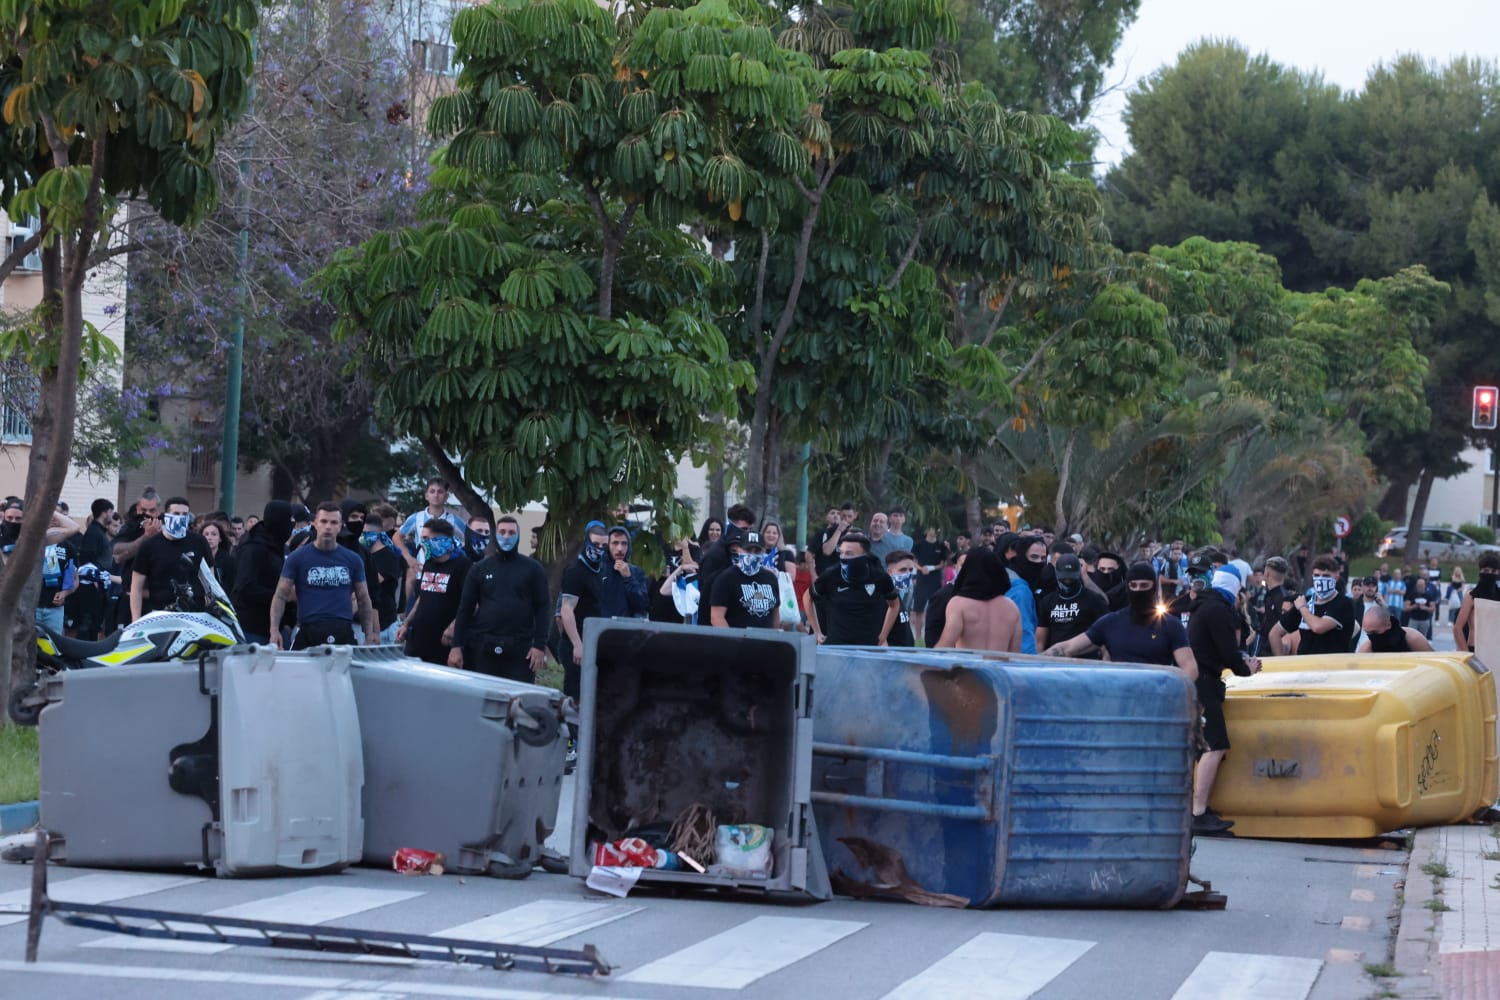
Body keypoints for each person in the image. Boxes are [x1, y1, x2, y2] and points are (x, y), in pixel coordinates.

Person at [1187, 566, 1259, 834]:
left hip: (1197, 681)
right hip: (1204, 683)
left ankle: (1196, 808)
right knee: (1213, 746)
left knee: (1206, 746)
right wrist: (1245, 669)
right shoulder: (1218, 610)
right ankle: (1198, 812)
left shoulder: (1203, 605)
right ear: (1235, 586)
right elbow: (1229, 652)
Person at [1047, 563, 1199, 681]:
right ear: (1127, 587)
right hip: (1119, 700)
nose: (1138, 590)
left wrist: (1170, 693)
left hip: (1156, 701)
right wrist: (1031, 661)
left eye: (1144, 586)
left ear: (1153, 587)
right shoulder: (1110, 622)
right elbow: (1068, 647)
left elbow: (1190, 668)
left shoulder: (1170, 625)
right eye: (1133, 586)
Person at [450, 515, 551, 680]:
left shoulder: (533, 569)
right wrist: (456, 646)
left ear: (518, 536)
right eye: (502, 531)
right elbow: (465, 609)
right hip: (483, 647)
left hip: (521, 650)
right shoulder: (479, 569)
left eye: (511, 532)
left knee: (518, 702)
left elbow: (543, 608)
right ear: (495, 535)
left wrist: (539, 646)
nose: (506, 536)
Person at [271, 502, 378, 649]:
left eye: (333, 522)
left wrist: (369, 633)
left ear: (340, 526)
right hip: (308, 629)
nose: (328, 526)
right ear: (315, 523)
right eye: (323, 521)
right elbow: (280, 595)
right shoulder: (297, 558)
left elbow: (364, 598)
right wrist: (274, 630)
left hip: (342, 631)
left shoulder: (353, 559)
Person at [397, 518, 472, 665]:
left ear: (443, 540)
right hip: (418, 640)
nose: (422, 543)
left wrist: (453, 628)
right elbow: (422, 597)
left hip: (443, 644)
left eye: (426, 538)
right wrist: (406, 624)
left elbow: (471, 604)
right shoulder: (429, 564)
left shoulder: (463, 565)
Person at [808, 532, 899, 646]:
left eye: (849, 554)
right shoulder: (831, 575)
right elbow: (808, 597)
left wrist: (884, 634)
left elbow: (894, 604)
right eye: (842, 553)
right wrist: (817, 632)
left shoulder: (879, 576)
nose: (844, 558)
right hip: (837, 646)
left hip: (868, 646)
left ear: (865, 555)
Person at [130, 497, 212, 620]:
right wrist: (135, 620)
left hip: (195, 615)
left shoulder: (199, 542)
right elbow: (136, 587)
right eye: (176, 514)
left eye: (185, 514)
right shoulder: (150, 545)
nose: (180, 518)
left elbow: (210, 579)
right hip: (161, 615)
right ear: (166, 515)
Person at [233, 501, 296, 644]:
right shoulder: (254, 548)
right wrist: (282, 596)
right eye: (289, 520)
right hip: (252, 628)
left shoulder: (276, 546)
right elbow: (246, 587)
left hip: (274, 627)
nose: (292, 524)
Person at [934, 547, 1021, 651]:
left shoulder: (958, 604)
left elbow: (945, 646)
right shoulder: (1012, 608)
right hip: (998, 667)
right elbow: (1014, 653)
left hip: (967, 666)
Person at [1277, 554, 1357, 656]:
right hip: (1304, 666)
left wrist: (1302, 608)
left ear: (1336, 577)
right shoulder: (1305, 600)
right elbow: (1275, 632)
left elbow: (1318, 627)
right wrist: (1279, 659)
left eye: (1326, 576)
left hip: (1333, 667)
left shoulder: (1344, 603)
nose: (1321, 579)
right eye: (1317, 575)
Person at [1035, 554, 1107, 655]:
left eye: (1071, 578)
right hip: (1055, 659)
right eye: (1064, 579)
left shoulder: (1094, 599)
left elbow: (1104, 633)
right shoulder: (1047, 601)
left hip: (1085, 660)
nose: (1068, 582)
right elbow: (1040, 640)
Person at [709, 530, 781, 629]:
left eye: (757, 551)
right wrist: (734, 641)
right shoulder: (725, 578)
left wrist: (774, 639)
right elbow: (716, 617)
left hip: (766, 641)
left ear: (763, 552)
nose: (752, 555)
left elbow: (775, 615)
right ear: (738, 550)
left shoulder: (771, 578)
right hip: (738, 641)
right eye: (748, 550)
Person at [361, 503, 404, 643]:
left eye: (364, 533)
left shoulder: (388, 556)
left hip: (385, 624)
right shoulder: (364, 554)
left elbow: (370, 583)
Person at [696, 504, 755, 603]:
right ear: (732, 526)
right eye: (744, 529)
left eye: (750, 529)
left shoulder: (745, 551)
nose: (748, 533)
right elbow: (708, 592)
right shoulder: (715, 554)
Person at [1454, 552, 1500, 652]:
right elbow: (1457, 628)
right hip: (1475, 649)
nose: (1490, 574)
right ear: (1480, 571)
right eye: (1486, 570)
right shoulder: (1471, 596)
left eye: (1494, 571)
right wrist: (1466, 654)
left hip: (1496, 650)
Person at [923, 550, 967, 647]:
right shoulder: (942, 596)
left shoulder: (980, 595)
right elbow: (932, 634)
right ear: (955, 566)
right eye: (963, 565)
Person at [911, 526, 948, 638]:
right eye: (932, 528)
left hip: (935, 580)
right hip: (921, 579)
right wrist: (921, 568)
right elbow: (913, 561)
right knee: (918, 609)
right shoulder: (919, 545)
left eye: (937, 529)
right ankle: (917, 636)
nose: (934, 531)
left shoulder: (941, 546)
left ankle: (930, 634)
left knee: (934, 608)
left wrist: (931, 568)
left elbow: (943, 563)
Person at [1358, 605, 1434, 653]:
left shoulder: (1412, 638)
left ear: (1388, 625)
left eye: (1374, 632)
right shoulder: (1367, 648)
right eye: (1368, 633)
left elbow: (1434, 663)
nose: (1372, 636)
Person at [883, 549, 920, 647]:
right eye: (903, 570)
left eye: (911, 570)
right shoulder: (883, 598)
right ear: (890, 572)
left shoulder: (900, 594)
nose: (908, 574)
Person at [1405, 574, 1438, 638]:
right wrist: (1414, 606)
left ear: (1424, 586)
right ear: (1416, 586)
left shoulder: (1428, 596)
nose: (1419, 587)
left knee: (1422, 638)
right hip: (1413, 620)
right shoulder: (1412, 596)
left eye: (1421, 586)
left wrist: (1425, 608)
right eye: (1418, 586)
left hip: (1424, 620)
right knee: (1411, 637)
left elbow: (1433, 608)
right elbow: (1406, 608)